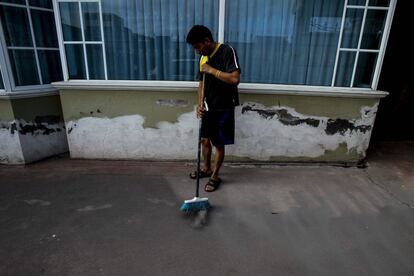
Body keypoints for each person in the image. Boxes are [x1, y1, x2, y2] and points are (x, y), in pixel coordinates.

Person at [186, 25, 241, 192]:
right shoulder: (203, 57)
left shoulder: (227, 51)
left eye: (198, 47)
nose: (196, 51)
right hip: (208, 106)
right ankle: (206, 168)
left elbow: (234, 79)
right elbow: (201, 84)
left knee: (218, 143)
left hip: (223, 106)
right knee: (204, 140)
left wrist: (211, 70)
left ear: (207, 41)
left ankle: (215, 175)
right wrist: (199, 104)